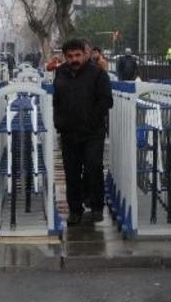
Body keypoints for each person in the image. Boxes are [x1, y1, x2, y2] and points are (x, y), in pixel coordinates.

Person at [53, 38, 113, 226]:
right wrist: (59, 122)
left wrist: (92, 120)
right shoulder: (61, 73)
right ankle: (75, 211)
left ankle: (96, 207)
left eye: (77, 55)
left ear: (85, 54)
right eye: (70, 56)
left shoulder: (98, 74)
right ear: (65, 57)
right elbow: (57, 99)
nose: (74, 59)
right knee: (72, 173)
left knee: (93, 167)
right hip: (69, 132)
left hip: (92, 131)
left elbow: (106, 101)